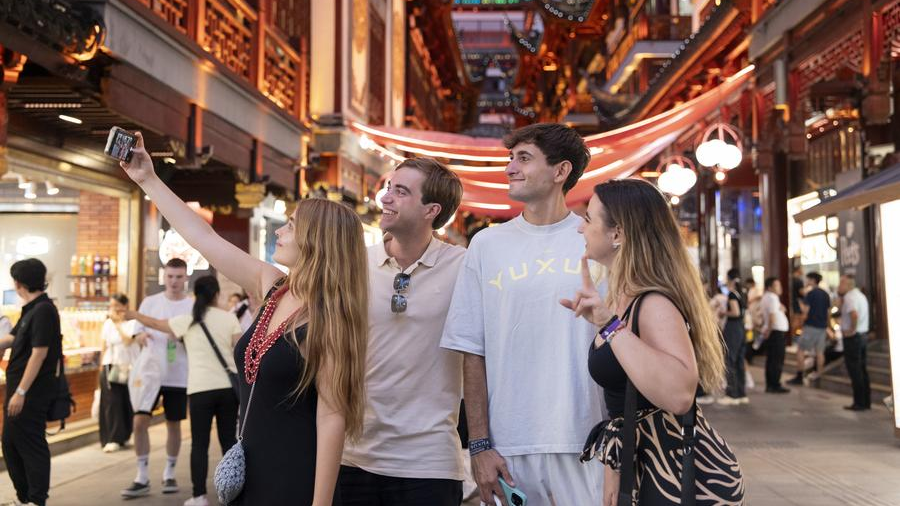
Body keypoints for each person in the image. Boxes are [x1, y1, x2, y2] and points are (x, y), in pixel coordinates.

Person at [119, 131, 367, 506]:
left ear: (318, 240)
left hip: (293, 477)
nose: (281, 231)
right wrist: (147, 179)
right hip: (247, 470)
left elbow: (332, 419)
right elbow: (203, 237)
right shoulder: (273, 286)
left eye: (292, 224)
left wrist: (321, 504)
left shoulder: (329, 319)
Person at [441, 123, 605, 506]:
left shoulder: (594, 240)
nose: (510, 168)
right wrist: (479, 444)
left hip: (588, 440)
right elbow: (471, 349)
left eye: (524, 158)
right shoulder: (487, 245)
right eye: (510, 158)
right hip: (509, 446)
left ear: (560, 171)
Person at [568, 179, 743, 505]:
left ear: (617, 233)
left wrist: (609, 325)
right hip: (646, 467)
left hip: (669, 472)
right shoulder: (625, 299)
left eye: (589, 219)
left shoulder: (652, 304)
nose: (581, 228)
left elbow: (678, 395)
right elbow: (622, 400)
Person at [340, 158, 467, 505]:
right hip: (352, 454)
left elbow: (479, 356)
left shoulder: (464, 267)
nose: (386, 198)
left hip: (430, 461)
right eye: (388, 188)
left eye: (401, 191)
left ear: (432, 210)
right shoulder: (353, 262)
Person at [127, 275, 243, 506]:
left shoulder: (187, 320)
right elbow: (239, 351)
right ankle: (234, 496)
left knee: (199, 444)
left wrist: (135, 315)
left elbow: (157, 324)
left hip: (200, 389)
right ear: (217, 294)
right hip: (228, 389)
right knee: (228, 442)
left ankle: (199, 496)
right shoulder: (229, 319)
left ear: (196, 295)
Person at [121, 257, 194, 498]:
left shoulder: (191, 306)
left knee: (173, 424)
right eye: (170, 276)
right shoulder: (150, 302)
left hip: (178, 374)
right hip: (150, 374)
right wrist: (142, 338)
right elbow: (137, 332)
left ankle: (169, 473)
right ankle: (141, 476)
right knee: (139, 422)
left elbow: (196, 339)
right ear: (164, 277)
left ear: (186, 277)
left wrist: (182, 339)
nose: (174, 281)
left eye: (179, 276)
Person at [0, 259, 63, 506]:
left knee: (30, 443)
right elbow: (10, 339)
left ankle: (35, 500)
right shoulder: (31, 309)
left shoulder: (44, 310)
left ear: (18, 283)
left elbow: (39, 353)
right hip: (20, 390)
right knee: (11, 442)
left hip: (32, 392)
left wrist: (21, 391)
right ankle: (25, 497)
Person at [99, 294, 138, 452]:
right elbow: (103, 346)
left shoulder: (133, 323)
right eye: (112, 305)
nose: (114, 309)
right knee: (111, 403)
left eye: (117, 305)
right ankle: (111, 438)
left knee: (126, 403)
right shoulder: (107, 324)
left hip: (128, 366)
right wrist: (100, 367)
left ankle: (125, 436)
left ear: (126, 305)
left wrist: (118, 324)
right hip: (111, 366)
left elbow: (128, 341)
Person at [788, 272, 831, 386]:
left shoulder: (810, 294)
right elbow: (828, 313)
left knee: (800, 350)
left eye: (807, 279)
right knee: (820, 352)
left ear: (812, 280)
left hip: (811, 326)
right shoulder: (825, 294)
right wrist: (828, 326)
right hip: (822, 327)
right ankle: (819, 375)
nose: (806, 281)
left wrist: (801, 318)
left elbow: (805, 312)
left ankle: (799, 376)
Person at [838, 275, 870, 411]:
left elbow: (854, 315)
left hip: (854, 338)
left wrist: (851, 330)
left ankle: (859, 403)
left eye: (841, 283)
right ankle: (865, 401)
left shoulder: (850, 297)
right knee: (862, 369)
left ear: (847, 284)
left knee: (855, 370)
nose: (839, 285)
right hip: (862, 336)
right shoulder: (860, 295)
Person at [718, 268, 748, 405]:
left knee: (730, 359)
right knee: (739, 361)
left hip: (733, 328)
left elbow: (735, 312)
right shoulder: (742, 293)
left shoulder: (731, 294)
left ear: (729, 279)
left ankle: (732, 394)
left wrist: (724, 312)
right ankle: (741, 393)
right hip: (741, 328)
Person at [759, 278, 790, 394]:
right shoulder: (772, 297)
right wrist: (770, 329)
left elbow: (780, 310)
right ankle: (774, 384)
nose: (780, 287)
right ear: (770, 287)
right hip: (775, 332)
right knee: (776, 360)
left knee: (772, 359)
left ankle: (771, 384)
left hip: (773, 332)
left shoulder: (768, 297)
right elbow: (772, 316)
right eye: (777, 285)